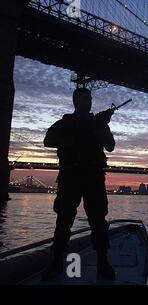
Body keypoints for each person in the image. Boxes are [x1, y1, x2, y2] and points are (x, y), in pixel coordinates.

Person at [42, 87, 116, 280]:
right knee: (64, 221)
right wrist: (74, 138)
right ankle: (56, 262)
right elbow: (48, 140)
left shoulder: (98, 122)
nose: (89, 101)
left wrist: (100, 125)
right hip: (70, 176)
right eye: (84, 98)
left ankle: (103, 262)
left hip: (93, 177)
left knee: (98, 221)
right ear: (75, 101)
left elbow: (110, 146)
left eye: (90, 98)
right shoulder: (65, 123)